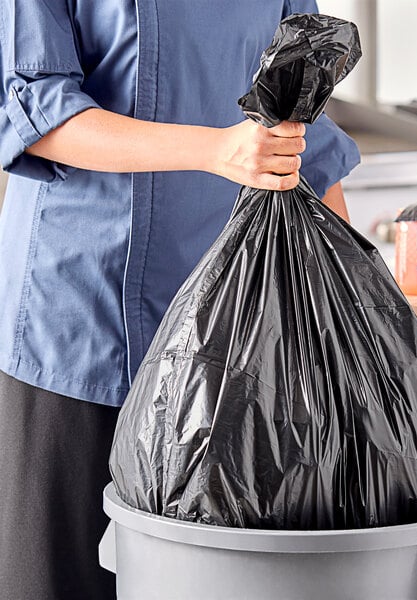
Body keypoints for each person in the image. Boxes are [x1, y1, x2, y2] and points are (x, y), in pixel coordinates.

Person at [0, 1, 360, 599]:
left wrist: (351, 305)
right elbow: (36, 107)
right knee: (62, 578)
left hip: (228, 327)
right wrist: (215, 150)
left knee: (207, 576)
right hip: (82, 322)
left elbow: (305, 124)